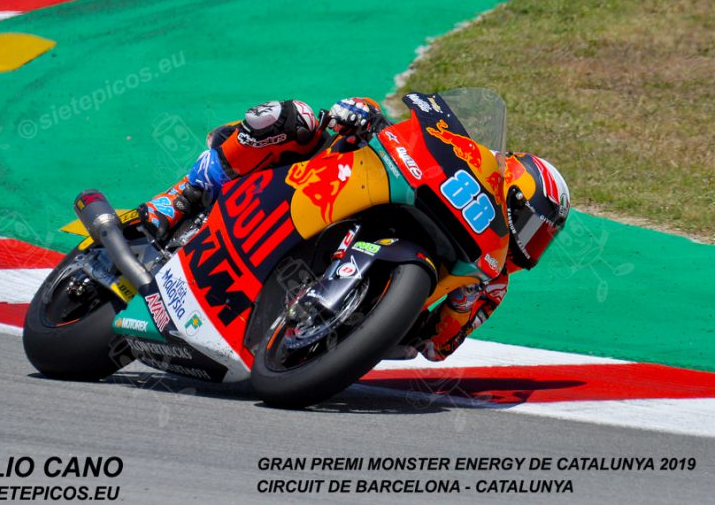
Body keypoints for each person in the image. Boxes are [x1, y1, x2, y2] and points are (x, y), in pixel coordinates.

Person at [139, 97, 570, 361]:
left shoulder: (492, 284)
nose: (530, 242)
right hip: (320, 188)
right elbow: (412, 138)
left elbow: (438, 348)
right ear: (507, 192)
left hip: (361, 320)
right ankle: (179, 198)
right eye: (531, 225)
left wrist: (461, 300)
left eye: (542, 238)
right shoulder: (470, 180)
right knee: (295, 119)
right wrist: (364, 113)